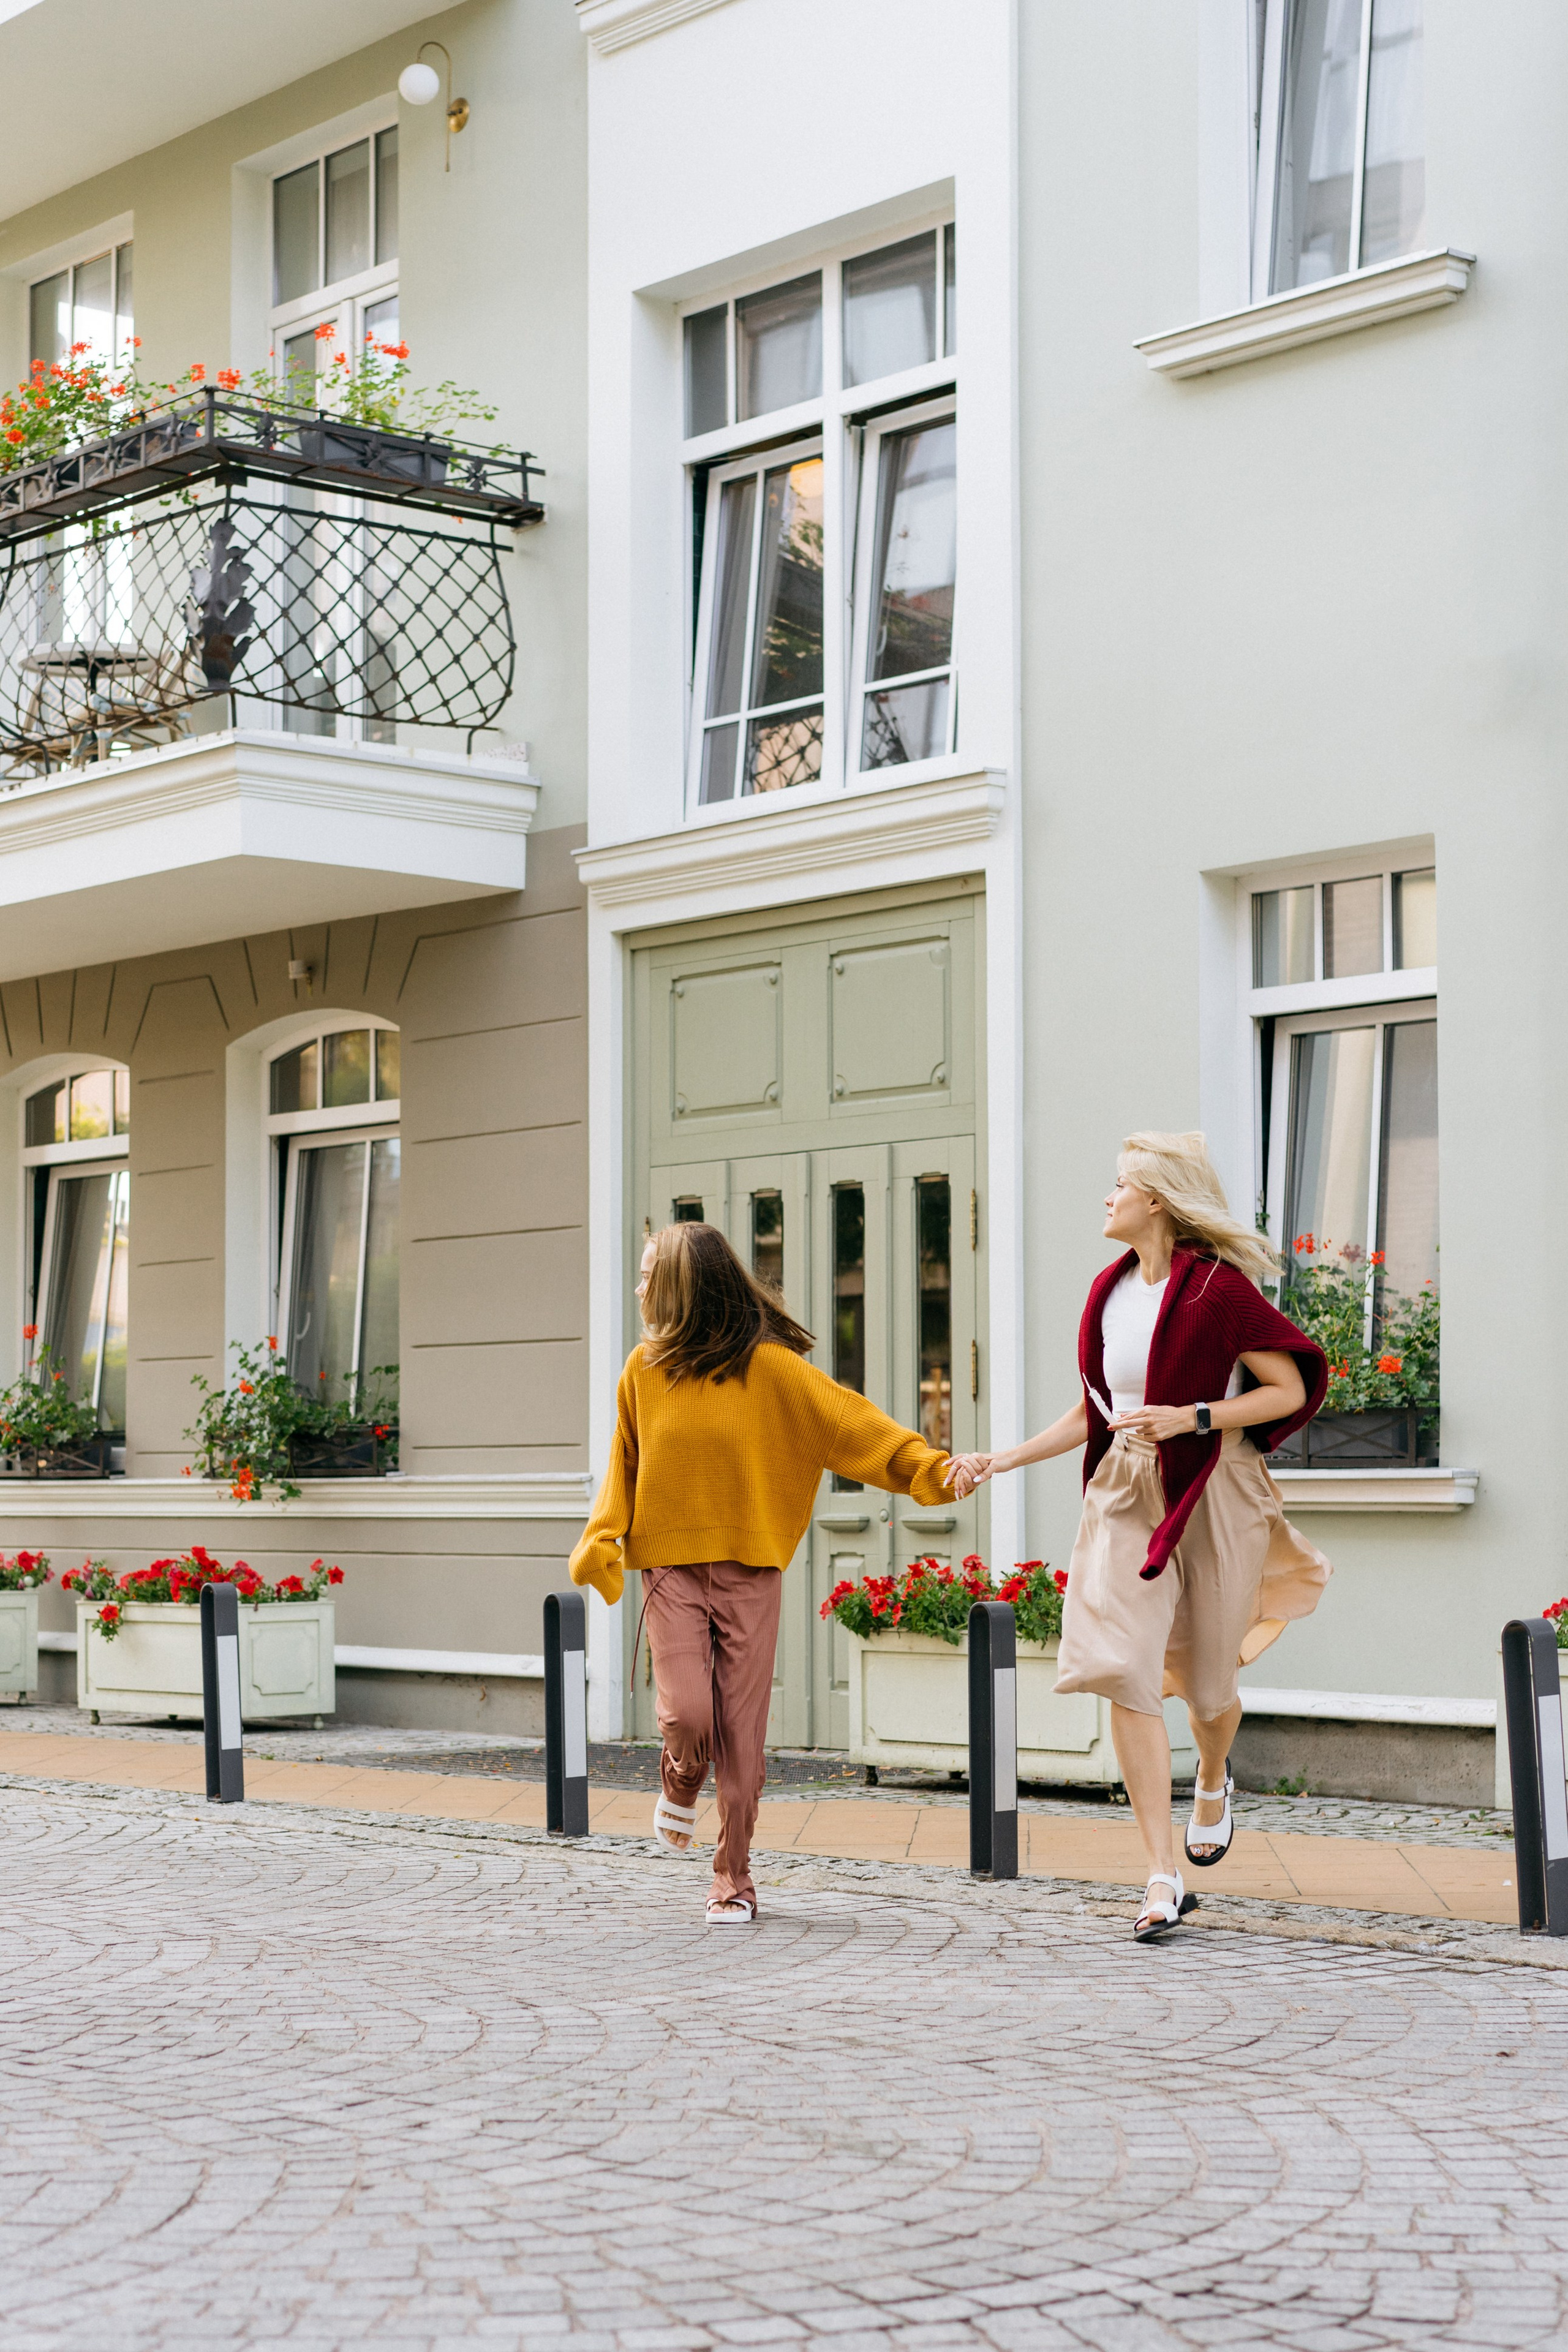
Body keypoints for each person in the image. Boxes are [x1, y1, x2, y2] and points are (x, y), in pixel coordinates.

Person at [950, 1131, 1329, 1943]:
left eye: (1119, 1185)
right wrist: (1001, 1459)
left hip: (1214, 1488)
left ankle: (1216, 1771)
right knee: (1123, 1667)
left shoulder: (1217, 1292)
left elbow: (1287, 1388)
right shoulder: (1108, 1291)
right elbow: (1096, 1408)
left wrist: (1194, 1416)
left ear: (1155, 1200)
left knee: (1209, 1681)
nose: (1108, 1197)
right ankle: (1162, 1873)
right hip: (1126, 1488)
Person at [570, 1219, 959, 1924]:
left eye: (648, 1273)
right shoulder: (643, 1369)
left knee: (743, 1742)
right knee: (687, 1715)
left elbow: (851, 1425)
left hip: (751, 1569)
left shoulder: (771, 1370)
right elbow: (622, 1465)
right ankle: (681, 1774)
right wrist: (601, 1537)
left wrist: (932, 1471)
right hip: (669, 1569)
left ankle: (733, 1876)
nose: (637, 1287)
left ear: (683, 1286)